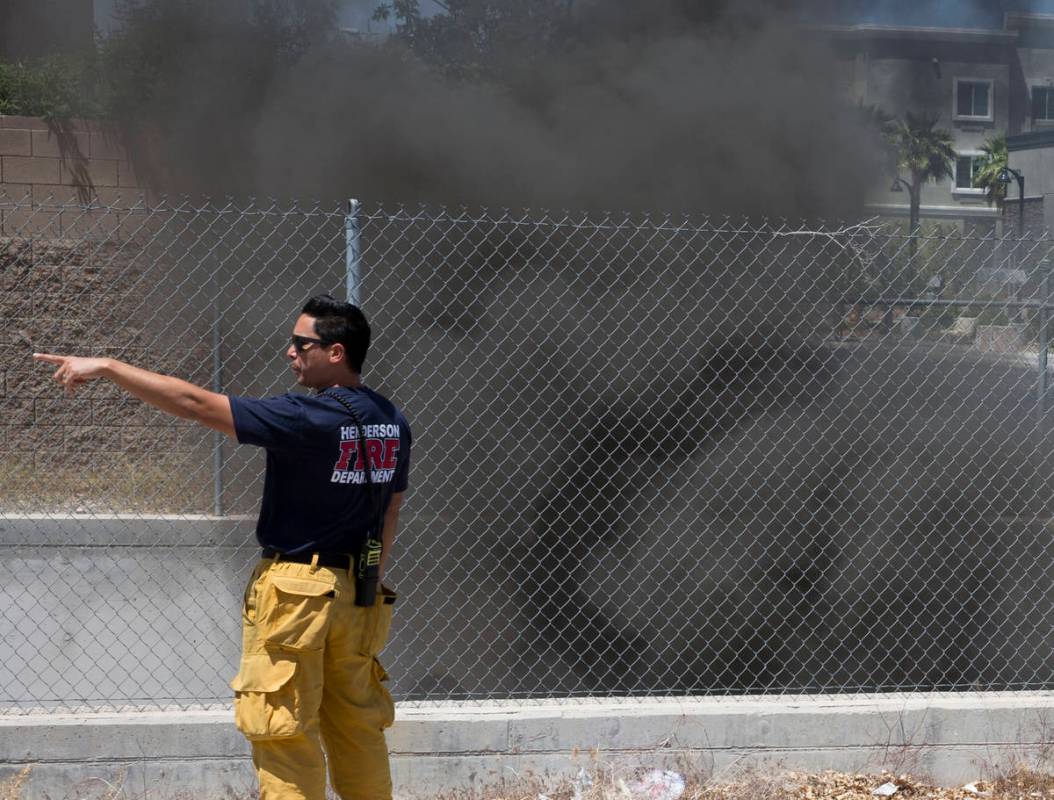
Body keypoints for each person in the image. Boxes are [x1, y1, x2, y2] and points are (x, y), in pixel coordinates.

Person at [34, 294, 412, 800]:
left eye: (302, 344)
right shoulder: (391, 419)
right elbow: (391, 508)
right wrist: (364, 582)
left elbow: (194, 404)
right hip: (359, 593)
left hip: (297, 594)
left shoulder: (307, 417)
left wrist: (108, 366)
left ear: (336, 353)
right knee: (357, 729)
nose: (290, 352)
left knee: (283, 731)